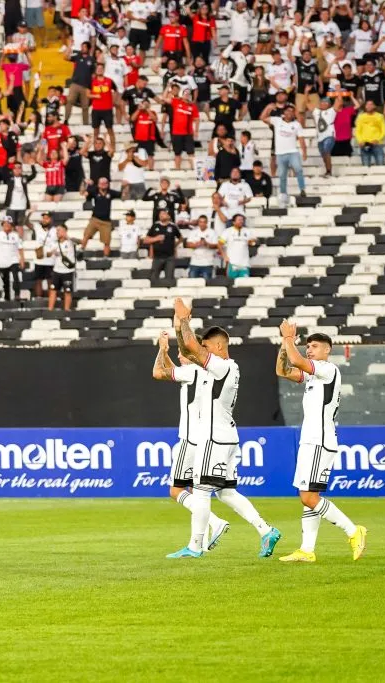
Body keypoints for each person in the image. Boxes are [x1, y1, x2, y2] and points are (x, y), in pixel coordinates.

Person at [168, 299, 281, 559]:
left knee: (202, 490)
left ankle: (195, 546)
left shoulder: (223, 366)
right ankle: (265, 530)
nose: (202, 351)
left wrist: (185, 321)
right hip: (228, 437)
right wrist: (179, 325)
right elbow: (189, 348)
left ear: (219, 346)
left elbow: (193, 348)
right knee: (227, 492)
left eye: (207, 346)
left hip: (213, 438)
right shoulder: (218, 368)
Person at [276, 322, 368, 563]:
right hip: (310, 439)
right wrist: (284, 345)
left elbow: (297, 362)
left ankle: (353, 530)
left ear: (327, 350)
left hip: (320, 439)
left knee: (308, 497)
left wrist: (288, 339)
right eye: (307, 346)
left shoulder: (328, 369)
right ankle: (307, 550)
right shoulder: (313, 374)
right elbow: (283, 371)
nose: (310, 349)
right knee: (308, 495)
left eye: (315, 346)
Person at [151, 331, 230, 552]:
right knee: (198, 492)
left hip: (189, 438)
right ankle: (200, 543)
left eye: (182, 351)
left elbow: (158, 372)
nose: (179, 354)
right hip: (204, 437)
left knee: (176, 491)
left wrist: (162, 350)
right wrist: (166, 353)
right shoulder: (202, 371)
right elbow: (171, 370)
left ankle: (216, 522)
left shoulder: (192, 371)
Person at [261, 103, 306, 207]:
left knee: (298, 169)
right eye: (287, 111)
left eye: (291, 111)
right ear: (284, 112)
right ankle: (283, 194)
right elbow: (263, 118)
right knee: (282, 175)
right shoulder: (277, 120)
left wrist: (304, 152)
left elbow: (301, 139)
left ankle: (302, 188)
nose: (289, 113)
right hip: (280, 153)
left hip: (292, 151)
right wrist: (267, 108)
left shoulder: (296, 125)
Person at [144, 209, 182, 283]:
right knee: (153, 278)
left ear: (168, 216)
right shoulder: (155, 226)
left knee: (169, 279)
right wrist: (156, 238)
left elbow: (181, 238)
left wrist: (175, 245)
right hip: (157, 257)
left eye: (163, 213)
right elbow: (146, 240)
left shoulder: (173, 226)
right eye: (160, 214)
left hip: (169, 258)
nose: (161, 215)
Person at [0, 214, 25, 301]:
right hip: (2, 262)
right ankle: (7, 297)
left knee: (16, 277)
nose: (7, 225)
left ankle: (17, 295)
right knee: (5, 281)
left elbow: (20, 248)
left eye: (9, 223)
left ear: (12, 225)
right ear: (2, 225)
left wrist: (22, 260)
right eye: (5, 223)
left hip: (13, 260)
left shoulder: (15, 235)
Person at [47, 224, 76, 312]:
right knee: (53, 289)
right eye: (57, 231)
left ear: (64, 231)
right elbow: (47, 254)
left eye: (59, 230)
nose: (57, 232)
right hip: (57, 270)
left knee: (67, 290)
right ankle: (50, 309)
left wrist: (67, 236)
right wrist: (52, 252)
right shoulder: (54, 243)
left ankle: (67, 309)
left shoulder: (70, 242)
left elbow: (80, 242)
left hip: (68, 271)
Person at [218, 214, 257, 278]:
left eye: (242, 220)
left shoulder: (247, 231)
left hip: (244, 264)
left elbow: (253, 242)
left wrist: (252, 242)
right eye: (239, 220)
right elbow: (219, 244)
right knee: (231, 284)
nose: (241, 221)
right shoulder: (227, 231)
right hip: (232, 264)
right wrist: (224, 256)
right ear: (233, 222)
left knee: (244, 285)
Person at [354, 100, 385, 167]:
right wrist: (360, 141)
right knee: (365, 167)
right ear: (365, 107)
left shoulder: (380, 116)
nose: (369, 106)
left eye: (371, 104)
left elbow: (384, 130)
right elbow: (358, 131)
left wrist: (377, 139)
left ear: (374, 106)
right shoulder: (361, 117)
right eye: (367, 105)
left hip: (377, 144)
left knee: (381, 166)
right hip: (364, 144)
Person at [185, 214, 216, 280]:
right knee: (192, 283)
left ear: (207, 222)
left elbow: (216, 245)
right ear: (198, 223)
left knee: (207, 284)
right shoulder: (193, 232)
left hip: (208, 263)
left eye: (204, 222)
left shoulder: (212, 232)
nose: (202, 224)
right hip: (194, 262)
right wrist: (197, 244)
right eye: (200, 222)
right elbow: (188, 244)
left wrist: (206, 244)